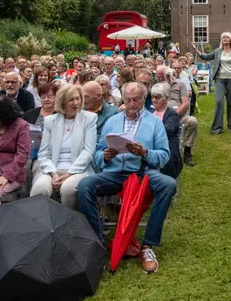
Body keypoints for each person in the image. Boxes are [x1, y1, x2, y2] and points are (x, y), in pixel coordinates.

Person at [77, 82, 177, 274]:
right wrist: (105, 156)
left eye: (136, 99)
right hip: (114, 172)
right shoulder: (112, 121)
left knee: (168, 184)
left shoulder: (154, 122)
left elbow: (164, 156)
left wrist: (144, 152)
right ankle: (97, 242)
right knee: (84, 186)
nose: (131, 104)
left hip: (143, 172)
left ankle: (148, 246)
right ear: (123, 99)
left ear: (143, 99)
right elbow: (97, 155)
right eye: (128, 100)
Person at [30, 84, 97, 209]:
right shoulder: (51, 120)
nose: (76, 103)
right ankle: (39, 224)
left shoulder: (89, 118)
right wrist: (53, 173)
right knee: (40, 189)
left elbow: (88, 151)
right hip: (52, 168)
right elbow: (44, 152)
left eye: (78, 98)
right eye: (71, 99)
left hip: (78, 169)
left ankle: (70, 223)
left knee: (68, 189)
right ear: (62, 102)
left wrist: (69, 174)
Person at [194, 32, 231, 134]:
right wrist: (198, 52)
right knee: (219, 102)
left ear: (230, 40)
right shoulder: (217, 51)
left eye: (227, 37)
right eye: (223, 37)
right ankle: (217, 128)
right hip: (219, 80)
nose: (225, 38)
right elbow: (206, 57)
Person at [162, 67, 197, 167]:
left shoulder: (181, 85)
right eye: (167, 75)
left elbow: (185, 104)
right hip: (162, 117)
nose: (169, 77)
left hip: (179, 116)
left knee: (192, 121)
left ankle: (187, 152)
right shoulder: (159, 86)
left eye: (171, 74)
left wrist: (174, 115)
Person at [150, 83, 182, 179]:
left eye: (158, 97)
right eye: (152, 97)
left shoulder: (172, 115)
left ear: (166, 98)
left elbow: (167, 130)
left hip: (168, 154)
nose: (154, 100)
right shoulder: (150, 113)